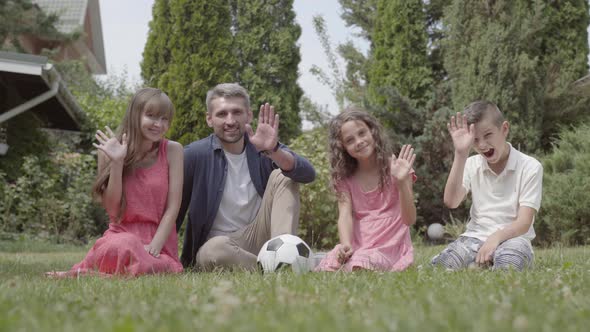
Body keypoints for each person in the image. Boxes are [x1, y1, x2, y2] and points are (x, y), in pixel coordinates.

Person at [176, 83, 315, 270]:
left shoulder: (262, 146)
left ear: (248, 115)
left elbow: (307, 174)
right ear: (209, 119)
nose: (230, 120)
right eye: (222, 114)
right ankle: (276, 268)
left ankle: (283, 257)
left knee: (283, 175)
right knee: (215, 249)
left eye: (237, 112)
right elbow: (175, 209)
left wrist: (273, 151)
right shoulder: (194, 154)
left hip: (259, 237)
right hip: (219, 247)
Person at [47, 88, 183, 277]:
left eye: (164, 118)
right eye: (151, 116)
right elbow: (113, 210)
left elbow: (173, 207)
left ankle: (96, 275)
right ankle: (112, 273)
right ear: (135, 115)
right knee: (125, 245)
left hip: (158, 241)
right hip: (120, 236)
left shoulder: (173, 151)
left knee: (153, 264)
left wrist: (154, 247)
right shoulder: (108, 151)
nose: (158, 124)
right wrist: (117, 162)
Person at [431, 101, 543, 271]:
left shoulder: (530, 166)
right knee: (441, 267)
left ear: (504, 129)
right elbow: (451, 201)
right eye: (475, 139)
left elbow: (524, 222)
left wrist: (496, 238)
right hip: (473, 239)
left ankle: (485, 263)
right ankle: (479, 263)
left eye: (488, 134)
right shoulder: (470, 164)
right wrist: (460, 154)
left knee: (509, 265)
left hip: (513, 239)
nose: (482, 145)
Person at [315, 108, 417, 272]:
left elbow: (409, 219)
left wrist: (401, 182)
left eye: (362, 133)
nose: (359, 141)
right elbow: (345, 215)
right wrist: (346, 244)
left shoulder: (398, 168)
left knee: (360, 265)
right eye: (350, 140)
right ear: (343, 148)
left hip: (390, 244)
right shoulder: (345, 178)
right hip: (359, 242)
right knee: (330, 265)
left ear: (373, 131)